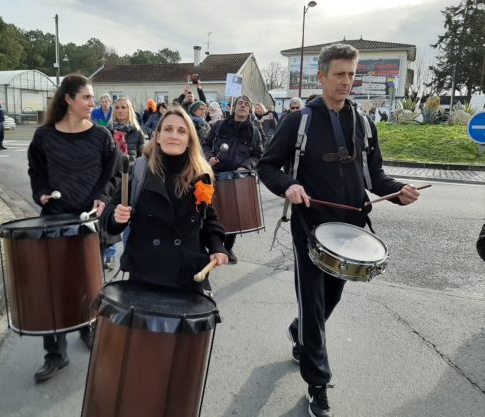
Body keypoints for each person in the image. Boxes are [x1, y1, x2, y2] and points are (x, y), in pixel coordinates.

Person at [257, 44, 420, 417]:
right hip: (310, 230)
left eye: (352, 74)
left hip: (351, 232)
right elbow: (267, 166)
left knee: (330, 300)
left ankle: (299, 332)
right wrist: (289, 187)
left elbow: (374, 176)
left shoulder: (363, 122)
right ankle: (318, 384)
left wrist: (398, 192)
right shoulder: (299, 121)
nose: (347, 81)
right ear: (322, 77)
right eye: (340, 74)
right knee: (314, 306)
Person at [27, 74, 120, 382]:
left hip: (87, 219)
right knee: (53, 285)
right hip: (53, 218)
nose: (93, 103)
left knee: (89, 280)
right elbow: (36, 171)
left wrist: (101, 198)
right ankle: (55, 353)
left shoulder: (101, 137)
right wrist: (39, 190)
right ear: (68, 99)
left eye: (93, 98)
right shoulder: (43, 136)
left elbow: (112, 174)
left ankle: (89, 327)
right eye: (87, 98)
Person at [102, 106, 228, 291]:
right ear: (158, 137)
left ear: (189, 141)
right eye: (168, 129)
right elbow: (110, 214)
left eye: (181, 131)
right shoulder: (139, 170)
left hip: (188, 274)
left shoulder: (201, 175)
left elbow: (208, 217)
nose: (174, 135)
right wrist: (116, 217)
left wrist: (217, 246)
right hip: (145, 273)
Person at [202, 95, 263, 264]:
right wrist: (209, 157)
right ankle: (208, 245)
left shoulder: (254, 131)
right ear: (234, 107)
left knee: (232, 214)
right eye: (240, 103)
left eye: (246, 104)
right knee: (209, 211)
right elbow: (205, 144)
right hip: (214, 173)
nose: (242, 106)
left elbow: (258, 155)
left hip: (237, 177)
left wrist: (246, 166)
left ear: (250, 110)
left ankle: (228, 247)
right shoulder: (219, 125)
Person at [103, 97, 145, 270]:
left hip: (130, 181)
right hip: (112, 181)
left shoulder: (137, 132)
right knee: (111, 217)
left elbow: (143, 159)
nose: (120, 110)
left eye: (124, 107)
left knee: (129, 218)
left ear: (129, 110)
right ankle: (109, 254)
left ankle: (130, 255)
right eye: (117, 107)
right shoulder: (106, 131)